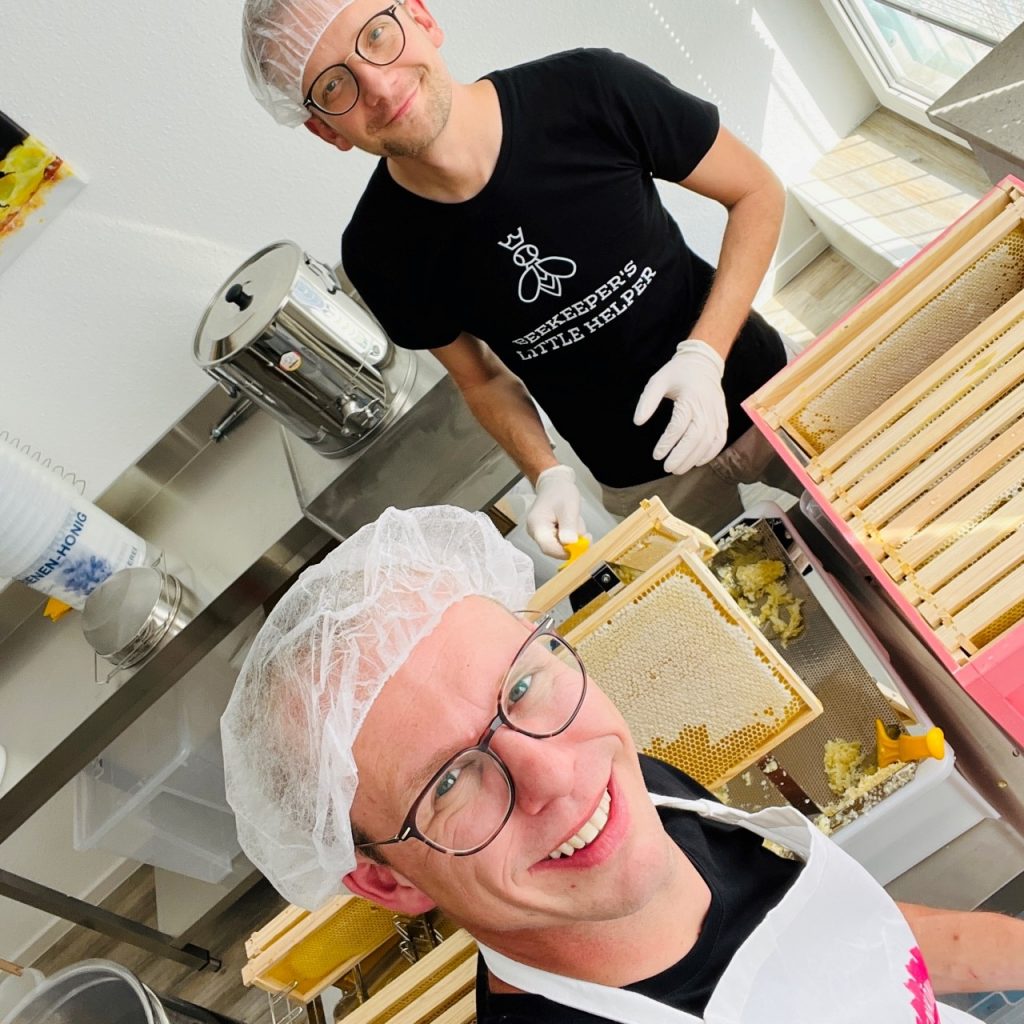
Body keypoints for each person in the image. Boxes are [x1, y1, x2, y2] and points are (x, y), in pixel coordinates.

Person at [222, 504, 1023, 1023]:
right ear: (389, 882)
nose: (556, 778)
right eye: (450, 781)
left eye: (522, 686)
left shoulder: (640, 801)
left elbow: (856, 942)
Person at [241, 0, 798, 557]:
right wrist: (546, 472)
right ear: (323, 129)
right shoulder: (379, 253)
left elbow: (755, 192)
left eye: (378, 35)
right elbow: (481, 380)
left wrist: (705, 354)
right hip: (647, 485)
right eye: (335, 86)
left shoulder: (590, 88)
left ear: (421, 16)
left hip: (765, 392)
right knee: (769, 622)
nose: (380, 87)